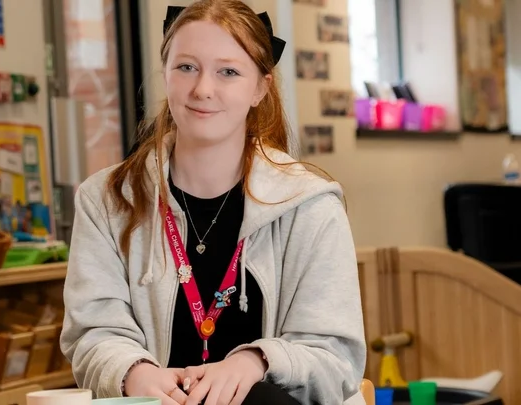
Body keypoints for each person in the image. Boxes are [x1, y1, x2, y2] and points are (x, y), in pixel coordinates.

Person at [59, 1, 367, 404]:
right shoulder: (106, 200)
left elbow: (337, 358)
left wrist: (257, 362)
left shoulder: (309, 206)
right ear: (166, 75)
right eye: (186, 67)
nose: (203, 88)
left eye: (229, 72)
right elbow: (93, 334)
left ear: (260, 88)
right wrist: (134, 373)